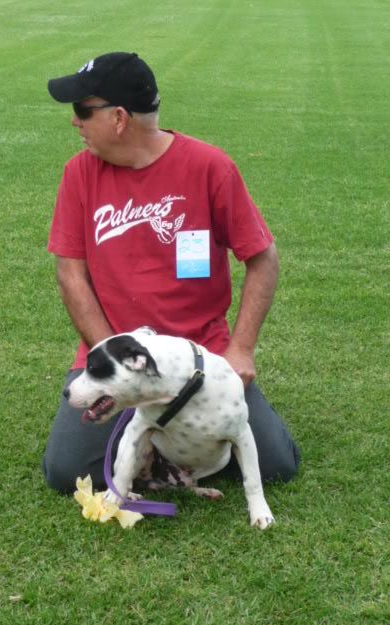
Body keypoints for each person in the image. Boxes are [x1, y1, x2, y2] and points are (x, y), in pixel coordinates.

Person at [41, 52, 300, 494]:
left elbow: (263, 259)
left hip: (201, 361)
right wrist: (114, 368)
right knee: (67, 471)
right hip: (114, 359)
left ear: (119, 118)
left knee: (276, 463)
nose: (75, 122)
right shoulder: (79, 174)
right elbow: (71, 276)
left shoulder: (209, 167)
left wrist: (241, 349)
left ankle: (169, 444)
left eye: (83, 111)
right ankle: (157, 442)